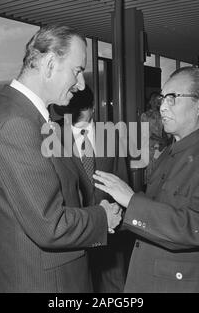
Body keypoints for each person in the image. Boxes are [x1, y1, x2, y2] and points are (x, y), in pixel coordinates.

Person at [0, 24, 121, 292]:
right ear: (51, 63)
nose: (81, 85)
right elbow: (49, 225)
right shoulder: (16, 124)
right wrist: (102, 217)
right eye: (77, 71)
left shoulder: (23, 115)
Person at [93, 67, 199, 293]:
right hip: (149, 276)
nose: (163, 106)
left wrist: (131, 200)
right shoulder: (171, 150)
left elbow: (197, 228)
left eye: (173, 98)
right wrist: (117, 213)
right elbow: (158, 205)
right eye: (164, 98)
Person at [52, 85, 133, 293]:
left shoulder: (109, 134)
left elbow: (121, 179)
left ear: (92, 108)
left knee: (114, 287)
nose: (79, 113)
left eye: (83, 108)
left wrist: (117, 221)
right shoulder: (55, 137)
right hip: (74, 232)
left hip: (110, 233)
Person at [140, 92, 170, 183]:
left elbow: (166, 129)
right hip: (150, 146)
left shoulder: (162, 114)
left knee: (161, 170)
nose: (156, 101)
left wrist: (166, 140)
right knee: (151, 171)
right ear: (150, 101)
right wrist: (163, 140)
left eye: (158, 100)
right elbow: (146, 133)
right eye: (154, 99)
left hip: (161, 146)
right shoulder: (145, 115)